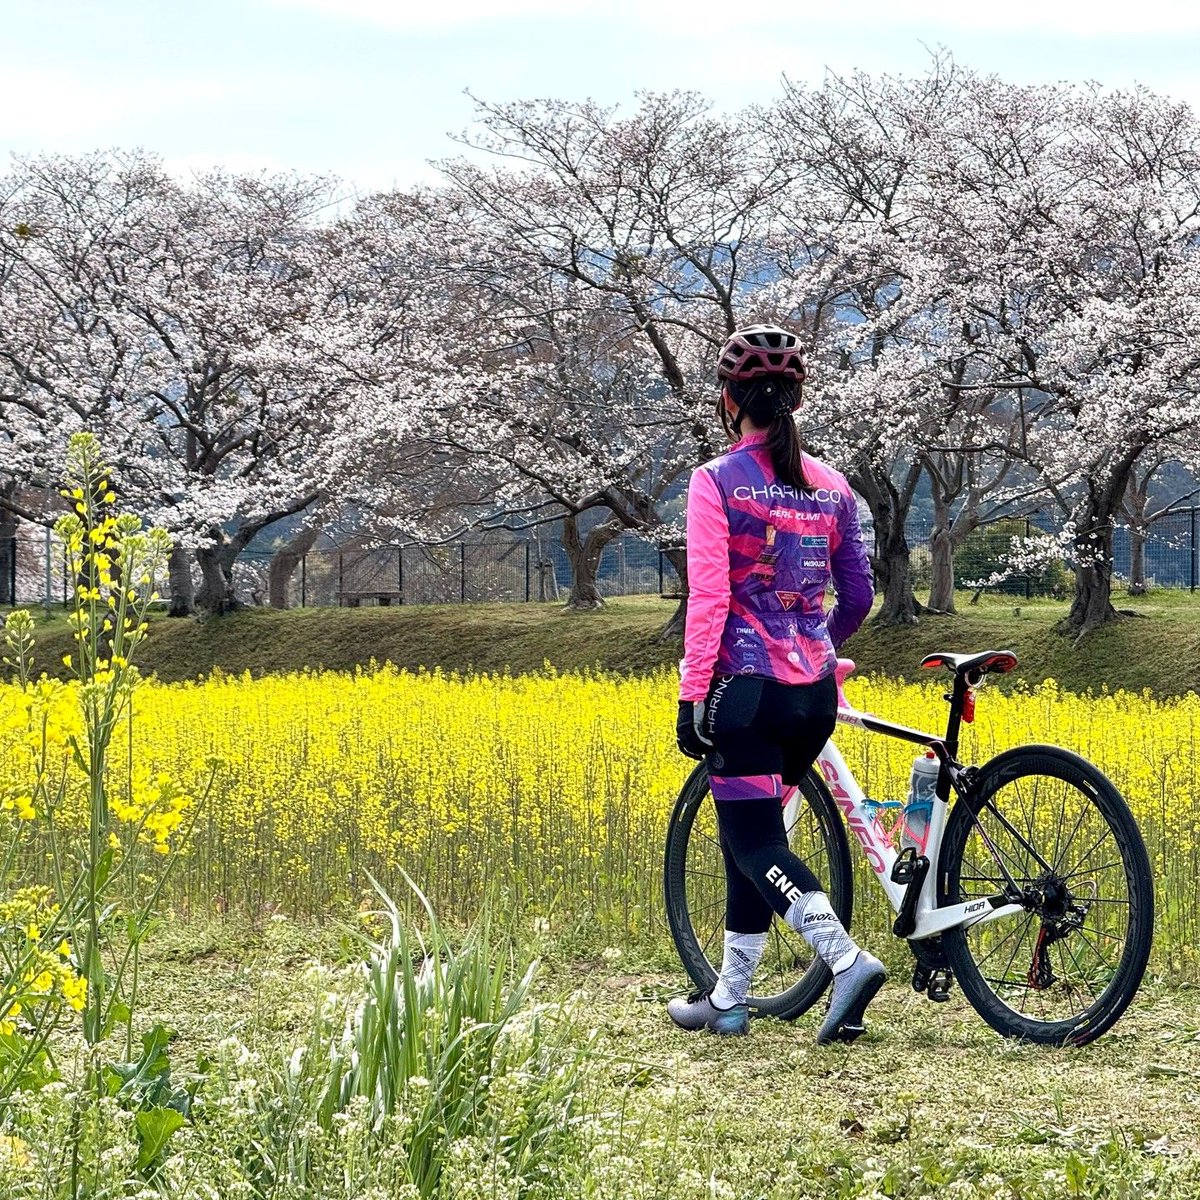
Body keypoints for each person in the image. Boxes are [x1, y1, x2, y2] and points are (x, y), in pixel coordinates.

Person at [669, 324, 882, 1044]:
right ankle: (728, 999)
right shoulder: (833, 487)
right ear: (795, 400)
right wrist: (817, 647)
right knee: (749, 838)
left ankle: (846, 961)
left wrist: (692, 695)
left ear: (730, 401)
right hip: (812, 696)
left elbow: (708, 599)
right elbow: (859, 596)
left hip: (747, 693)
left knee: (758, 844)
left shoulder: (715, 481)